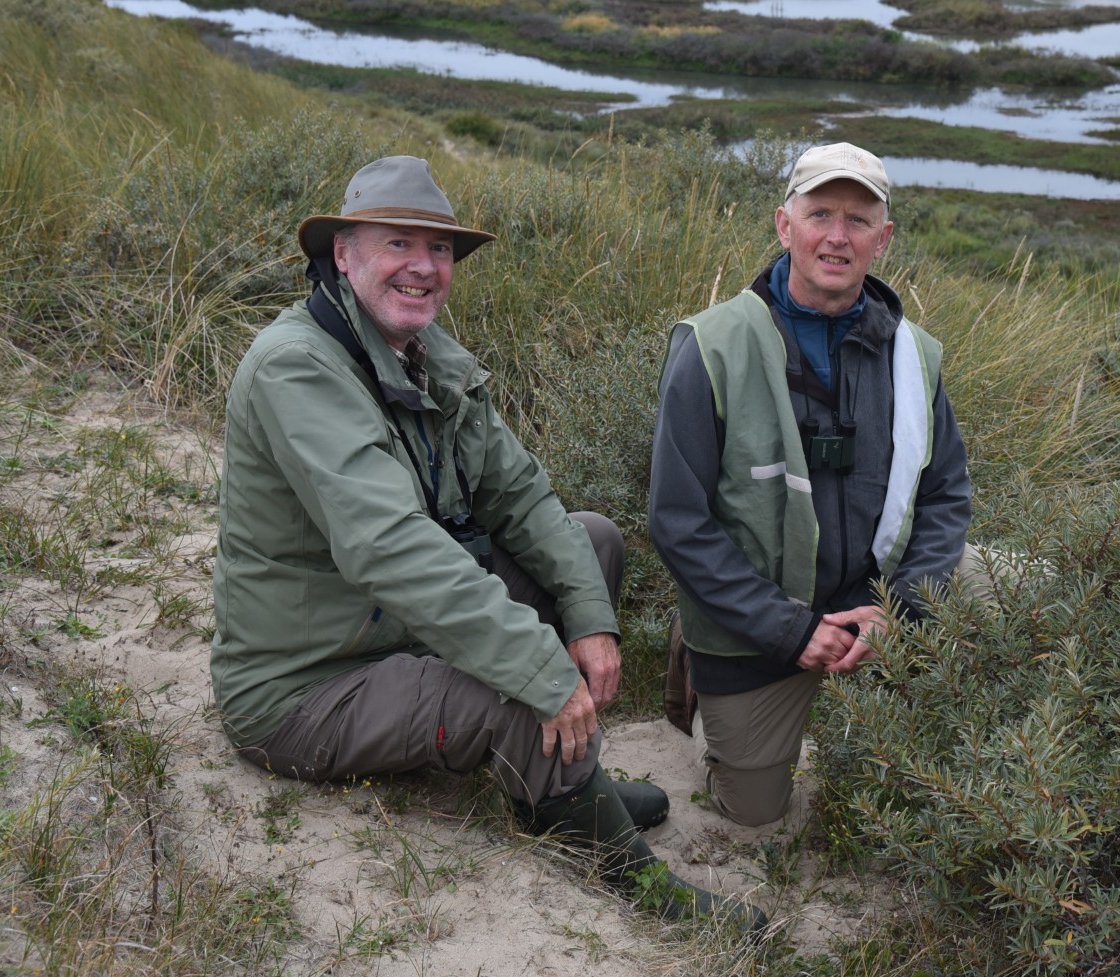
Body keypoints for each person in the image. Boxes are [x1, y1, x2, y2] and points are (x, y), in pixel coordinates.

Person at [212, 155, 761, 929]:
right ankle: (636, 879)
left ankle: (554, 793)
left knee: (590, 546)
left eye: (439, 250)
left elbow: (522, 495)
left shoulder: (423, 353)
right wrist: (542, 667)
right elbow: (390, 548)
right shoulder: (295, 367)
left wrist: (589, 617)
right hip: (304, 684)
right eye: (397, 242)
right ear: (343, 253)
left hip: (389, 626)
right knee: (509, 688)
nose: (423, 266)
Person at [649, 142, 974, 827]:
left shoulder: (916, 356)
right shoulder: (711, 346)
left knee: (1006, 580)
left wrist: (902, 608)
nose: (837, 235)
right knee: (754, 812)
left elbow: (946, 494)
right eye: (820, 212)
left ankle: (867, 665)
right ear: (783, 225)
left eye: (859, 220)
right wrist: (789, 628)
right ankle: (701, 675)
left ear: (882, 240)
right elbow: (678, 520)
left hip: (874, 609)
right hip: (758, 627)